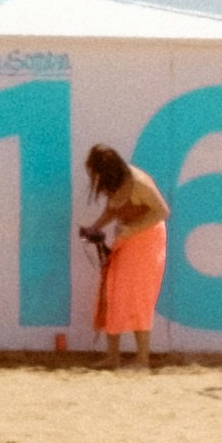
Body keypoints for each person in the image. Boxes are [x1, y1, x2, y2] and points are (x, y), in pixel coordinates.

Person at [76, 143, 169, 363]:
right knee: (111, 291)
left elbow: (162, 211)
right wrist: (94, 227)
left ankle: (143, 359)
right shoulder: (115, 182)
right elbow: (112, 210)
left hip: (146, 239)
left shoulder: (139, 183)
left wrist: (132, 229)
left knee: (138, 296)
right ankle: (112, 356)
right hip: (127, 237)